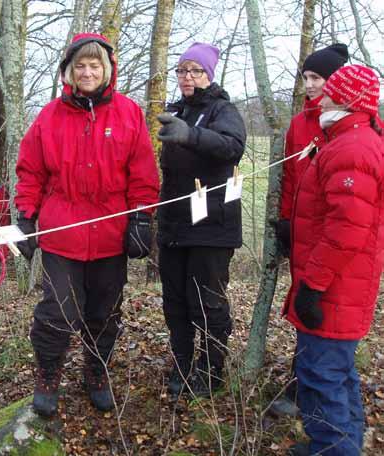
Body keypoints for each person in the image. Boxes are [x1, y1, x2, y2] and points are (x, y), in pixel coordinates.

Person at [15, 33, 159, 417]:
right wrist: (25, 215)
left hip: (111, 235)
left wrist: (142, 219)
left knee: (105, 313)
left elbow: (143, 174)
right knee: (58, 313)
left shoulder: (129, 113)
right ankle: (48, 374)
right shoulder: (49, 117)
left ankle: (96, 372)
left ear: (107, 70)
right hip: (62, 232)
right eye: (80, 65)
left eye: (95, 65)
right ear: (69, 71)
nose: (88, 71)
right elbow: (30, 171)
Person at [284, 65, 383, 456]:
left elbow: (346, 231)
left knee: (321, 374)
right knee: (336, 375)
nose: (319, 96)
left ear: (346, 100)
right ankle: (341, 444)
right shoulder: (344, 140)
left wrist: (313, 286)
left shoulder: (353, 148)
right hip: (338, 284)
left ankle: (334, 450)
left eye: (329, 92)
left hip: (336, 288)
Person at [156, 43, 246, 398]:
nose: (187, 77)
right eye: (181, 71)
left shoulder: (223, 109)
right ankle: (181, 364)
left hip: (213, 226)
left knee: (207, 301)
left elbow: (232, 146)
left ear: (209, 74)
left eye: (195, 71)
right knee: (175, 300)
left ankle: (211, 371)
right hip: (175, 223)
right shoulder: (175, 109)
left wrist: (191, 135)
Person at [271, 43, 349, 418]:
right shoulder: (301, 123)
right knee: (303, 308)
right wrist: (286, 220)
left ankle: (316, 390)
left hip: (333, 235)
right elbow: (291, 177)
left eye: (317, 78)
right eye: (306, 77)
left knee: (326, 311)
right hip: (301, 233)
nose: (310, 85)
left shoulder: (344, 125)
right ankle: (302, 379)